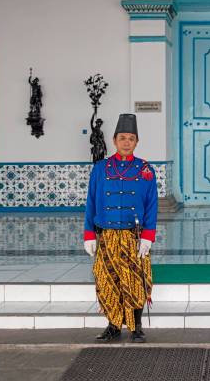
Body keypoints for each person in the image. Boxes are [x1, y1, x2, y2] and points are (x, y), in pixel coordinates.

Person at [83, 113, 158, 342]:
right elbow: (91, 202)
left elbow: (152, 204)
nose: (127, 142)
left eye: (132, 138)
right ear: (114, 140)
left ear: (137, 142)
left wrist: (148, 236)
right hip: (106, 236)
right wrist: (89, 234)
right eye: (123, 137)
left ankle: (136, 328)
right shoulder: (100, 168)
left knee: (136, 282)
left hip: (133, 237)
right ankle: (113, 326)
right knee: (108, 281)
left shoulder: (145, 169)